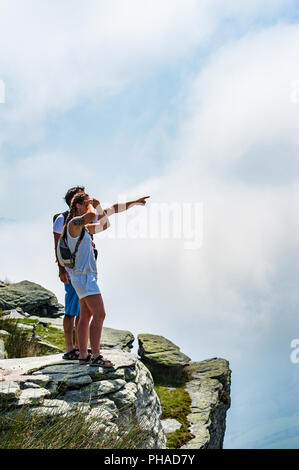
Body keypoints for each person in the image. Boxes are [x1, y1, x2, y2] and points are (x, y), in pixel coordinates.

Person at [61, 191, 150, 366]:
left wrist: (100, 205)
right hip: (84, 278)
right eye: (86, 202)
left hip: (83, 277)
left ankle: (83, 355)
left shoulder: (84, 228)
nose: (90, 204)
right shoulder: (73, 224)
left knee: (85, 315)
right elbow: (93, 215)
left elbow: (105, 224)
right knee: (100, 314)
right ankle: (95, 356)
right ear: (78, 205)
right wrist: (94, 205)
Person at [53, 186, 85, 360]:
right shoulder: (61, 219)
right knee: (71, 311)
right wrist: (61, 270)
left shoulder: (83, 219)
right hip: (71, 272)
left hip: (84, 271)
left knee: (83, 311)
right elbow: (57, 246)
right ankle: (69, 348)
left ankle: (80, 348)